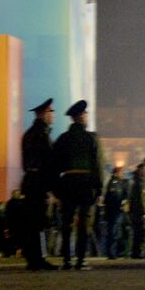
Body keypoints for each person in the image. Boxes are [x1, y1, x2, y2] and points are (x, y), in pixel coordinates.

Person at [51, 100, 103, 270]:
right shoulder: (91, 138)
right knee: (84, 224)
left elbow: (54, 166)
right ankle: (81, 260)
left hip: (67, 184)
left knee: (66, 224)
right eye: (85, 114)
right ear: (81, 116)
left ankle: (66, 260)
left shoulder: (63, 139)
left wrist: (57, 189)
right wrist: (99, 188)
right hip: (86, 185)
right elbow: (98, 165)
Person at [18, 98, 57, 271]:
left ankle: (32, 258)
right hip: (40, 183)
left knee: (30, 222)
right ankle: (39, 258)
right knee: (39, 222)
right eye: (51, 112)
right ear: (44, 114)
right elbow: (49, 162)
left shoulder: (28, 134)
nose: (53, 115)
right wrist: (51, 187)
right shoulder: (43, 134)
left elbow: (25, 163)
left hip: (29, 181)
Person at [102, 165, 130, 259]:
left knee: (118, 233)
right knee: (113, 233)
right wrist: (121, 203)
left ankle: (117, 252)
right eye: (121, 173)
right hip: (114, 212)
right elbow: (113, 197)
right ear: (116, 173)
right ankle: (111, 253)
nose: (123, 174)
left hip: (118, 212)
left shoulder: (121, 183)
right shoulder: (113, 183)